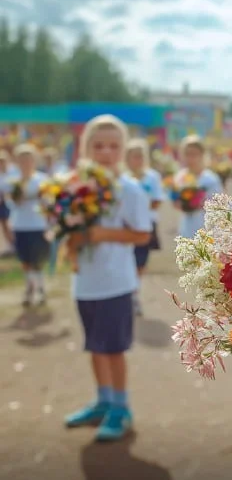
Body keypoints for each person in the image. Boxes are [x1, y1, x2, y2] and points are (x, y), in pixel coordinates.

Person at [62, 115, 152, 441]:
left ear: (124, 150)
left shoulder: (129, 190)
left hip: (116, 283)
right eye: (98, 146)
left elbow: (142, 234)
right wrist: (70, 239)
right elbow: (66, 227)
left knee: (113, 349)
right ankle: (102, 400)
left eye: (114, 146)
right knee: (95, 347)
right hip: (85, 283)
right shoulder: (73, 187)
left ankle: (121, 407)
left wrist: (101, 233)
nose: (105, 152)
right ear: (85, 148)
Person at [1, 144, 49, 306]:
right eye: (22, 160)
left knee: (38, 259)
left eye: (28, 160)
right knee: (25, 259)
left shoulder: (42, 180)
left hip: (38, 225)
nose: (25, 163)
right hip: (20, 225)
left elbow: (49, 203)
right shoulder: (12, 182)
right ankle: (30, 288)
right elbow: (10, 204)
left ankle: (41, 288)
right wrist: (16, 198)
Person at [125, 139, 165, 317]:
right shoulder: (123, 178)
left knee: (141, 263)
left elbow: (156, 201)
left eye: (140, 156)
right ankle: (129, 295)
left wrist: (140, 208)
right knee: (127, 260)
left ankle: (135, 294)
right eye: (134, 156)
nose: (138, 160)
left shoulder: (152, 177)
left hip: (146, 225)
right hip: (126, 227)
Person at [174, 135, 223, 238]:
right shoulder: (181, 176)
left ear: (202, 155)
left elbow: (218, 206)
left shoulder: (211, 179)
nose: (190, 158)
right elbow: (176, 201)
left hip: (206, 230)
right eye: (187, 154)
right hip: (186, 228)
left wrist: (199, 203)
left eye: (194, 154)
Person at [0, 150, 16, 256]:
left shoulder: (13, 172)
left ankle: (14, 246)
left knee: (9, 225)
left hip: (10, 203)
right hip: (2, 203)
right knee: (5, 226)